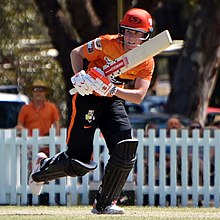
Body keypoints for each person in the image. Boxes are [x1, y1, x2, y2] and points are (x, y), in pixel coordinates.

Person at [29, 8, 155, 214]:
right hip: (87, 97)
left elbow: (139, 95)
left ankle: (105, 203)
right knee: (79, 162)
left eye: (137, 32)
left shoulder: (147, 60)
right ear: (122, 30)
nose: (132, 37)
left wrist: (113, 89)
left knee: (125, 148)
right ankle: (41, 169)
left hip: (112, 100)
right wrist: (79, 75)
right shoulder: (107, 43)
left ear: (146, 35)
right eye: (129, 31)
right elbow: (76, 53)